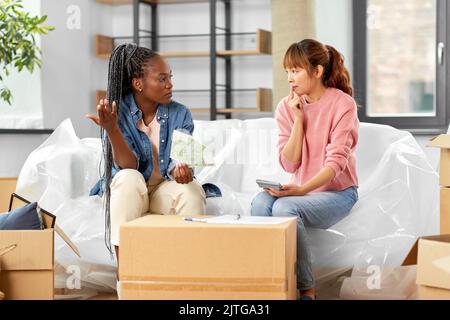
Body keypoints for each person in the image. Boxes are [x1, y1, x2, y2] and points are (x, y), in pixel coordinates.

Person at [251, 39, 359, 300]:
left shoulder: (342, 105)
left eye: (296, 70)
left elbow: (335, 165)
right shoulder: (287, 107)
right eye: (287, 71)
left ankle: (306, 290)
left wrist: (300, 190)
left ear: (317, 71)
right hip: (303, 190)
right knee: (259, 204)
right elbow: (289, 164)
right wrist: (298, 120)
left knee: (285, 208)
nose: (290, 78)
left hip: (338, 192)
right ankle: (271, 282)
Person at [86, 44, 206, 272]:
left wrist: (184, 169)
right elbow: (127, 166)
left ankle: (187, 274)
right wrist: (111, 129)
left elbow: (184, 159)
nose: (170, 84)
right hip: (131, 188)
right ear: (138, 83)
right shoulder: (115, 112)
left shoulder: (181, 113)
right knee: (129, 178)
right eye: (162, 79)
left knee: (191, 191)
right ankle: (126, 276)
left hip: (163, 188)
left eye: (170, 77)